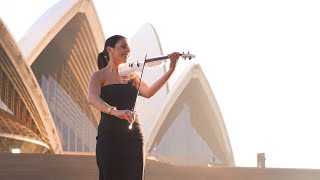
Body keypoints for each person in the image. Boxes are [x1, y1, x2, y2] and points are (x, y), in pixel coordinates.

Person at [87, 35, 179, 180]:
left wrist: (171, 70)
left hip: (133, 136)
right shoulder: (99, 76)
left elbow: (148, 92)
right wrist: (115, 111)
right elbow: (92, 99)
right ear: (109, 50)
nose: (128, 50)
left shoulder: (132, 76)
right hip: (109, 136)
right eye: (123, 46)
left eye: (128, 47)